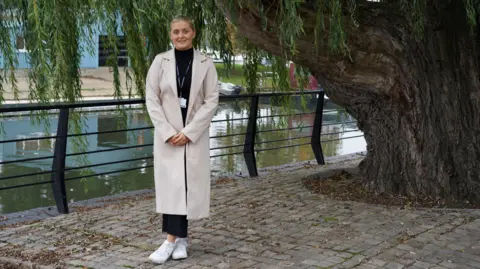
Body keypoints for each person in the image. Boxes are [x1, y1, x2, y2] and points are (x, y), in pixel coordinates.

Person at [145, 16, 219, 264]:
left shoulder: (206, 62)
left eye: (185, 31)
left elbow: (211, 100)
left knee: (186, 187)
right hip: (168, 137)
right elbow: (152, 99)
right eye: (176, 32)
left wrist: (190, 132)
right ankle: (175, 240)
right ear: (170, 34)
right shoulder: (159, 61)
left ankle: (172, 242)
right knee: (172, 188)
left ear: (193, 32)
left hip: (192, 136)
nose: (180, 36)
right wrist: (167, 132)